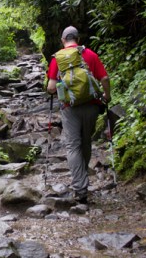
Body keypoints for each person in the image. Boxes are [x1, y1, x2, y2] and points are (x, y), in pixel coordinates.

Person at [46, 26, 111, 204]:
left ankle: (80, 189)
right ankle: (83, 179)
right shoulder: (89, 54)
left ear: (63, 40)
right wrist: (107, 95)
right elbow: (104, 79)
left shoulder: (57, 58)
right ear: (78, 39)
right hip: (91, 106)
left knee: (73, 146)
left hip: (70, 108)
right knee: (86, 142)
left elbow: (51, 88)